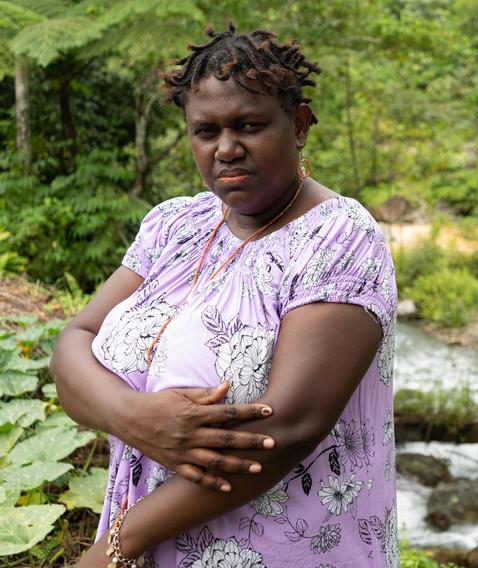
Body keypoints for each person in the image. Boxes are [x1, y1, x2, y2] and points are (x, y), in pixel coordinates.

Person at [50, 24, 399, 568]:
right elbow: (74, 340)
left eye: (250, 125)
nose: (227, 148)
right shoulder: (173, 225)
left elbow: (285, 430)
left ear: (299, 125)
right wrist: (135, 416)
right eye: (205, 131)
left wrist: (117, 545)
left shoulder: (339, 237)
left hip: (286, 549)